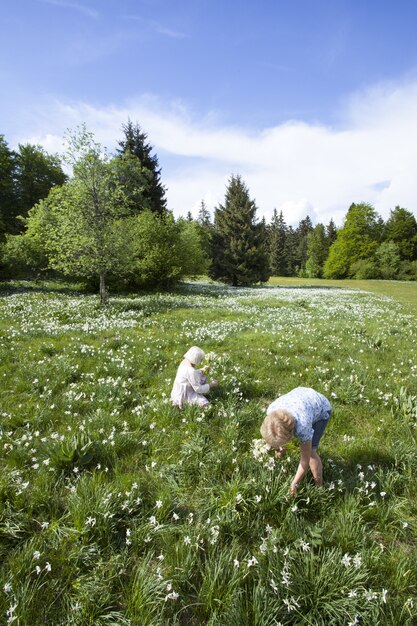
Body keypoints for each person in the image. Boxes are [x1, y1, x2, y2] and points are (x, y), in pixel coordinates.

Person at [260, 387, 331, 496]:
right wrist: (279, 444)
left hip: (321, 407)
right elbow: (276, 430)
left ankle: (319, 487)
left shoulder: (302, 428)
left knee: (311, 453)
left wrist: (294, 483)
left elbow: (305, 460)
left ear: (291, 434)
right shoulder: (271, 411)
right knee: (279, 434)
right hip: (301, 396)